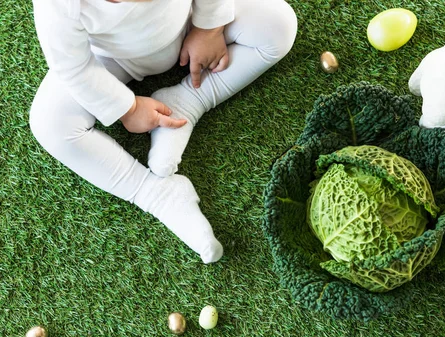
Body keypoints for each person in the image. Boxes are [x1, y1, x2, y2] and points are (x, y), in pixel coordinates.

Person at [29, 0, 298, 264]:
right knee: (49, 123)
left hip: (188, 19)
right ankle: (155, 193)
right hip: (112, 58)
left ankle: (190, 100)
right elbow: (74, 68)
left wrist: (209, 28)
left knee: (279, 25)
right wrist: (128, 108)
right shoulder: (57, 5)